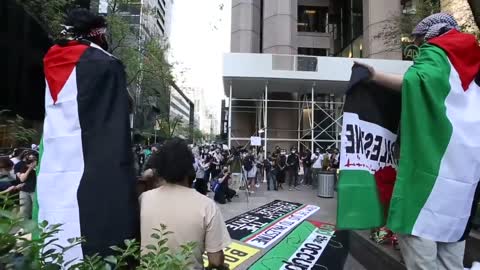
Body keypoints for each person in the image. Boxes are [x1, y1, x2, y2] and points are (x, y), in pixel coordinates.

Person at [362, 13, 480, 270]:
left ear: (431, 35)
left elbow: (416, 82)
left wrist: (373, 76)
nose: (416, 46)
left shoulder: (437, 51)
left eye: (418, 40)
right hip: (463, 182)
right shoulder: (473, 62)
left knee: (420, 254)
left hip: (429, 179)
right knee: (451, 260)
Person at [37, 8, 139, 262]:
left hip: (54, 162)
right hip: (95, 164)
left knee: (55, 232)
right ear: (98, 32)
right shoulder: (106, 64)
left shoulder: (51, 58)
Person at [140, 139, 231, 269]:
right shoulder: (207, 206)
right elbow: (216, 260)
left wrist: (146, 179)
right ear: (189, 168)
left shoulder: (143, 199)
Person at [14, 151, 37, 219]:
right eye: (30, 156)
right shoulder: (19, 165)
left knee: (36, 209)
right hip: (24, 190)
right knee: (24, 210)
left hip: (36, 190)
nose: (32, 157)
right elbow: (22, 179)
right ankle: (23, 228)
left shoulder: (39, 164)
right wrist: (30, 168)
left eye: (34, 156)